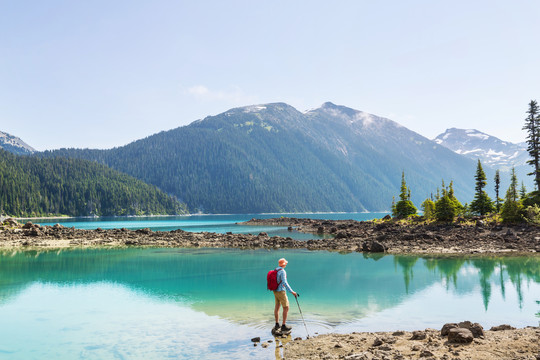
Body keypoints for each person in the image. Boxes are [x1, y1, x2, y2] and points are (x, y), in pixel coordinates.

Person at [273, 258, 297, 333]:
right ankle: (283, 326)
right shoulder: (282, 271)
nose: (286, 264)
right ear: (284, 264)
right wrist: (292, 291)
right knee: (286, 307)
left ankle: (277, 324)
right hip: (281, 291)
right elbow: (284, 282)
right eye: (285, 263)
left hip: (275, 290)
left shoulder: (275, 270)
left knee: (277, 306)